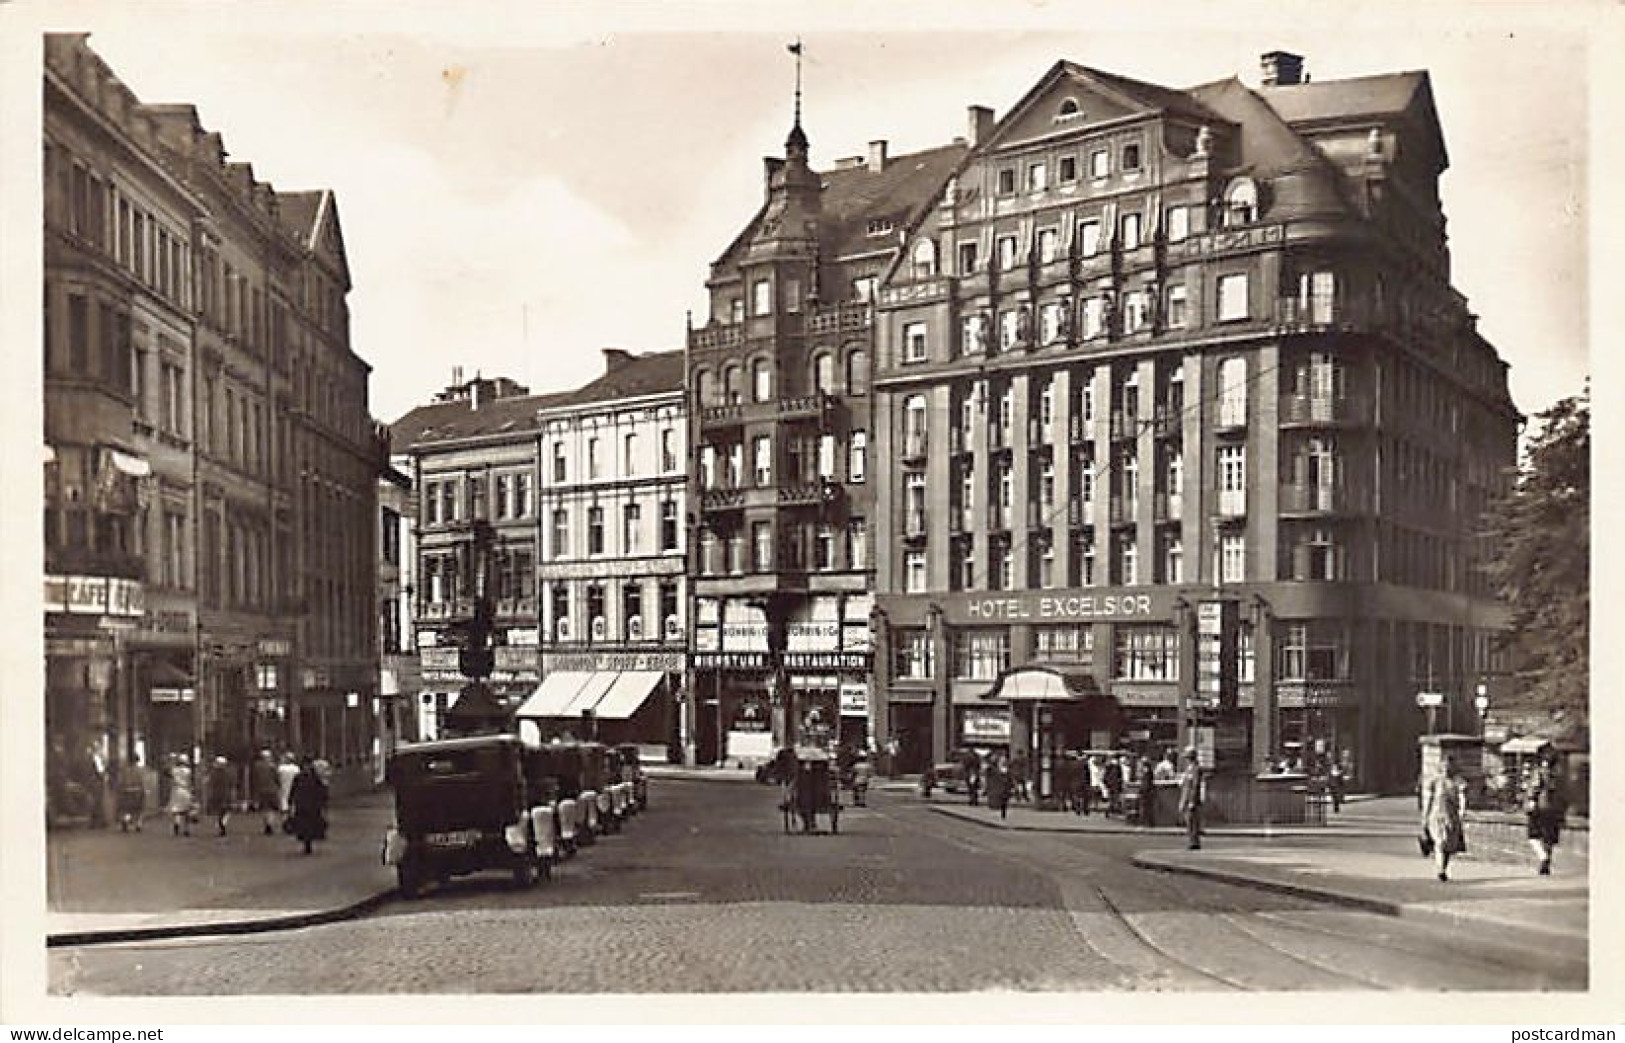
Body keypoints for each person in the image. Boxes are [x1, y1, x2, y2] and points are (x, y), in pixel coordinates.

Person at [1421, 755, 1468, 881]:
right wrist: (1424, 817)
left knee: (1448, 846)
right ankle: (1440, 870)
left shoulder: (1458, 782)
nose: (1446, 769)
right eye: (1444, 766)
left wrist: (1462, 810)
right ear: (1440, 768)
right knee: (1440, 843)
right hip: (1436, 816)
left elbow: (1462, 797)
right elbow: (1428, 800)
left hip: (1452, 817)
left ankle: (1443, 868)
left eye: (1449, 766)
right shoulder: (1435, 782)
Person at [1525, 752, 1567, 876]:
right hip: (1556, 809)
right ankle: (1546, 864)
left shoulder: (1540, 772)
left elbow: (1535, 786)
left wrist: (1531, 800)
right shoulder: (1560, 775)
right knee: (1548, 838)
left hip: (1540, 806)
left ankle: (1543, 857)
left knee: (1533, 836)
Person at [287, 757, 329, 855]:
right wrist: (291, 802)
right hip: (303, 805)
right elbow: (294, 790)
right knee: (304, 826)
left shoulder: (314, 778)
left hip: (311, 806)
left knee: (309, 825)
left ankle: (308, 842)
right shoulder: (300, 777)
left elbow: (321, 791)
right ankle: (307, 843)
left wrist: (323, 803)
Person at [1177, 748, 1205, 850]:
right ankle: (1192, 841)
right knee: (1189, 820)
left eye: (1187, 757)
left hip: (1191, 799)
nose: (1186, 760)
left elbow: (1195, 785)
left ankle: (1194, 842)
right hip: (1186, 797)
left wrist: (1192, 801)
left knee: (1192, 820)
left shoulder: (1196, 769)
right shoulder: (1189, 768)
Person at [251, 749, 282, 835]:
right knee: (272, 809)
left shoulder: (257, 766)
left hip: (261, 790)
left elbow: (254, 779)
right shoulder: (273, 766)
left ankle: (267, 824)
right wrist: (279, 786)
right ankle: (269, 824)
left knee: (264, 808)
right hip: (272, 789)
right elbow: (277, 778)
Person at [113, 756, 147, 832]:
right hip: (137, 791)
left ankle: (126, 820)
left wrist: (120, 790)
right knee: (138, 809)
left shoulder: (124, 771)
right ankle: (138, 824)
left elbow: (120, 781)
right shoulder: (139, 770)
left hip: (126, 792)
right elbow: (142, 782)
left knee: (127, 809)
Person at [205, 755, 235, 837]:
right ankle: (223, 823)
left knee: (219, 811)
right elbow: (232, 784)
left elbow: (208, 783)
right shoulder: (228, 773)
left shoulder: (213, 773)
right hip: (226, 794)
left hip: (216, 794)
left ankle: (220, 823)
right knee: (228, 811)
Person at [166, 754, 195, 837]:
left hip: (176, 790)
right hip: (185, 790)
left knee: (177, 810)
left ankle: (176, 824)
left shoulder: (174, 770)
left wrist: (171, 761)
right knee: (186, 811)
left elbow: (167, 773)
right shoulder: (188, 771)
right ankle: (186, 829)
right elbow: (190, 782)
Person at [986, 756, 1011, 820]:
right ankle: (1002, 815)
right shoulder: (995, 770)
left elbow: (1008, 779)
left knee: (1004, 801)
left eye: (1004, 762)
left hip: (1004, 788)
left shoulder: (1005, 770)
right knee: (1002, 801)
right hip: (1001, 788)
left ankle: (1003, 815)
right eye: (1002, 762)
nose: (1003, 763)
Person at [277, 752, 301, 818]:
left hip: (284, 786)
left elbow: (278, 777)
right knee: (293, 803)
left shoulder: (281, 768)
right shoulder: (296, 768)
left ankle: (285, 819)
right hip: (294, 787)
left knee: (284, 803)